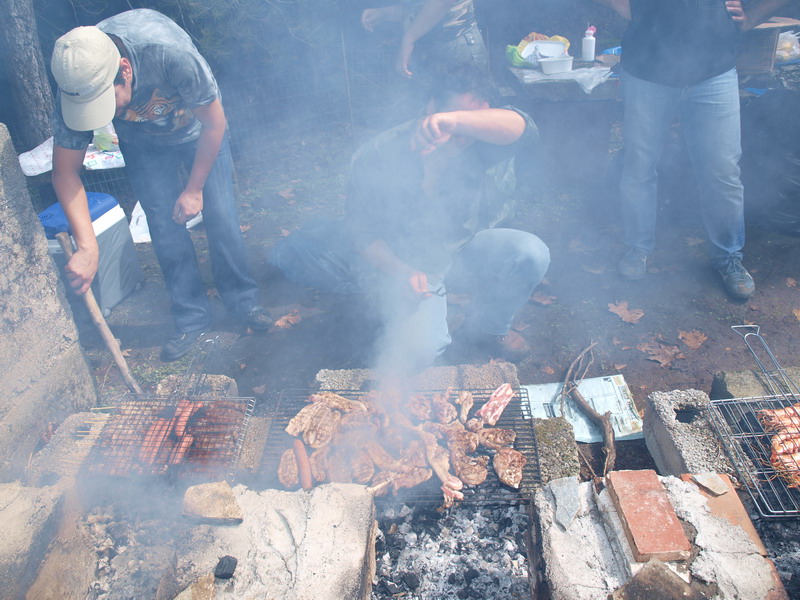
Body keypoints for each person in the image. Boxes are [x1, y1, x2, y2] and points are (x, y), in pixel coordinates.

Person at [269, 64, 549, 375]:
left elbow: (524, 126)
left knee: (529, 252)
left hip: (464, 249)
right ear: (430, 107)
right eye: (452, 115)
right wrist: (402, 271)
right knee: (420, 351)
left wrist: (457, 121)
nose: (462, 135)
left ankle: (486, 332)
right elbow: (361, 234)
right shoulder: (379, 154)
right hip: (409, 264)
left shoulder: (480, 138)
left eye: (471, 120)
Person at [50, 9, 271, 361]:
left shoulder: (168, 55)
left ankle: (243, 302)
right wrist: (88, 247)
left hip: (200, 132)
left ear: (124, 69)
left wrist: (194, 188)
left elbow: (215, 124)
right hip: (143, 144)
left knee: (222, 214)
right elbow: (64, 172)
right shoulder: (76, 79)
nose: (101, 115)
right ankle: (191, 317)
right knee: (164, 225)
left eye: (106, 101)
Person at [594, 0, 789, 300]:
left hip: (714, 71)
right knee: (639, 165)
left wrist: (752, 16)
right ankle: (638, 248)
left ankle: (728, 257)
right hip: (646, 70)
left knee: (722, 170)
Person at [361, 0, 488, 82]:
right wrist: (385, 13)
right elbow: (420, 7)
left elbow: (442, 2)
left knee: (461, 117)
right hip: (429, 50)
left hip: (455, 47)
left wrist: (408, 39)